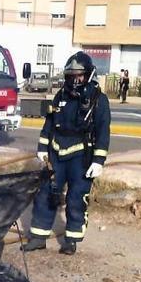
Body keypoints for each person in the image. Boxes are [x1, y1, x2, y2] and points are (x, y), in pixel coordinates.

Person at [22, 51, 111, 256]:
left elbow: (103, 131)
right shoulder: (60, 95)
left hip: (81, 156)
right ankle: (38, 237)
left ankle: (71, 240)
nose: (74, 79)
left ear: (87, 75)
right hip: (56, 154)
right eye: (71, 75)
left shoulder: (99, 100)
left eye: (78, 75)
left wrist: (98, 161)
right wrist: (43, 148)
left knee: (76, 198)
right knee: (45, 195)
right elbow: (49, 124)